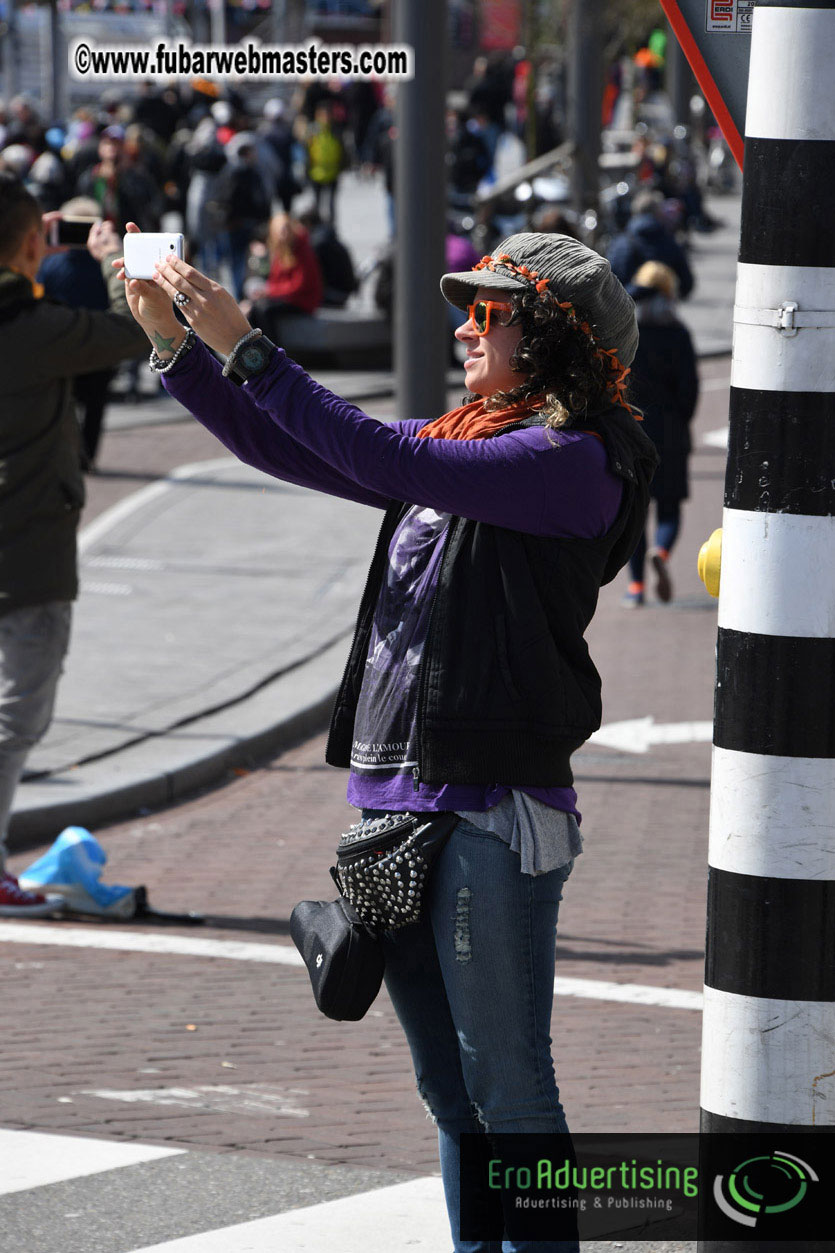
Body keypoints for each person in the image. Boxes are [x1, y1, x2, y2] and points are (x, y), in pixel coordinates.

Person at [116, 227, 657, 1252]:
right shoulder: (472, 441)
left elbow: (375, 450)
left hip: (488, 806)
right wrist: (176, 346)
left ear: (548, 334)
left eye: (486, 312)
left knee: (508, 1086)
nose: (463, 325)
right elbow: (290, 445)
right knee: (450, 1094)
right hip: (398, 804)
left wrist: (253, 349)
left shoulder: (567, 459)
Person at [0, 174, 148, 916]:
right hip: (26, 556)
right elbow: (133, 330)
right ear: (33, 243)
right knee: (16, 716)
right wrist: (119, 259)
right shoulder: (33, 329)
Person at [622, 260, 699, 607]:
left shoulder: (629, 332)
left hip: (633, 429)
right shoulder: (679, 332)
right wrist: (681, 420)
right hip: (670, 430)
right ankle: (663, 553)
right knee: (669, 506)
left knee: (635, 513)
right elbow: (690, 388)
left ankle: (636, 588)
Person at [607, 188, 694, 300]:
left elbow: (610, 281)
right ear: (658, 214)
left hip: (627, 304)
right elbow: (687, 284)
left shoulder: (620, 242)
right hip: (661, 307)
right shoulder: (669, 241)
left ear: (634, 213)